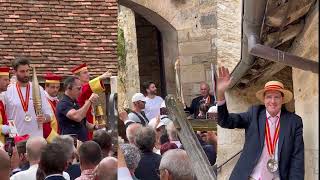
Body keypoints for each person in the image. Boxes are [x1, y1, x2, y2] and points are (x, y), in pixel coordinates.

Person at [216, 66, 304, 180]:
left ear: (282, 99)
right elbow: (225, 121)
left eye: (276, 97)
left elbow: (297, 158)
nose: (272, 101)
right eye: (269, 97)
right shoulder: (254, 114)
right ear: (264, 99)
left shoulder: (294, 122)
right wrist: (220, 93)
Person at [4, 58, 52, 137]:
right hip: (17, 138)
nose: (26, 74)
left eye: (27, 71)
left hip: (36, 138)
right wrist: (13, 136)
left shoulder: (38, 89)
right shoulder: (8, 91)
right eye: (22, 71)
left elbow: (49, 114)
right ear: (15, 72)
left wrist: (44, 118)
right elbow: (7, 117)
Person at [71, 63, 112, 140]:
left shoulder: (86, 87)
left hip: (90, 120)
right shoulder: (78, 89)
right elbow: (85, 89)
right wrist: (100, 78)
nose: (88, 74)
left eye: (88, 72)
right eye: (85, 73)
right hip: (83, 121)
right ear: (78, 77)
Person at [56, 77, 100, 142]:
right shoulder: (63, 103)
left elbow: (85, 124)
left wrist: (96, 127)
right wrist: (90, 101)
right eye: (78, 88)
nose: (81, 91)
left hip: (81, 143)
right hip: (70, 145)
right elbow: (77, 117)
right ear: (69, 88)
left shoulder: (75, 103)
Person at [43, 73, 62, 142]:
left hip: (59, 137)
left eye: (57, 87)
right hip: (49, 140)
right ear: (46, 86)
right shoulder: (42, 101)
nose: (55, 90)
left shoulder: (57, 101)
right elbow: (44, 124)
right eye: (53, 87)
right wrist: (56, 140)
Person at [0, 67, 10, 144]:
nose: (8, 82)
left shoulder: (1, 99)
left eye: (8, 80)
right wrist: (1, 128)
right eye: (5, 80)